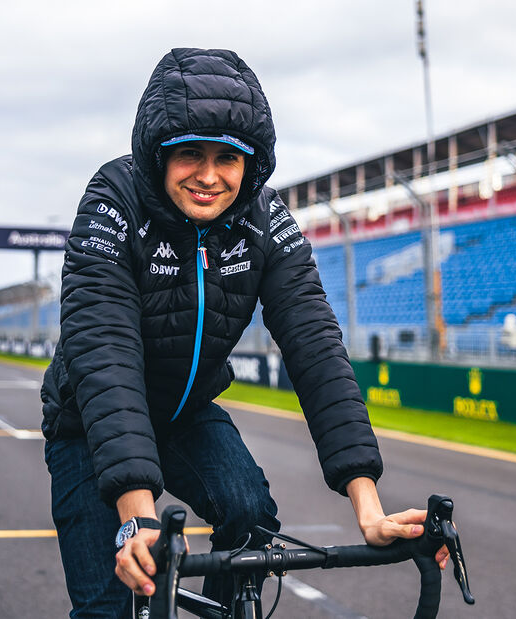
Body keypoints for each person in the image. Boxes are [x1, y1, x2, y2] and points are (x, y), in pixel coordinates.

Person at [41, 48, 447, 617]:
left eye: (227, 159)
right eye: (189, 155)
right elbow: (105, 357)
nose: (208, 176)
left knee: (250, 512)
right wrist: (137, 518)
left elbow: (317, 350)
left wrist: (369, 507)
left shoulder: (265, 218)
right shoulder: (113, 198)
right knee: (114, 605)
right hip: (89, 421)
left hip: (185, 412)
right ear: (156, 155)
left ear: (251, 165)